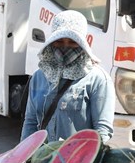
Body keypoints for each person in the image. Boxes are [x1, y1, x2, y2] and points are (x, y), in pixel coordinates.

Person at [21, 10, 115, 143]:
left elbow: (103, 131)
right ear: (52, 42)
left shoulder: (97, 79)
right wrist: (22, 157)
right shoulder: (39, 76)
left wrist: (88, 158)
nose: (65, 47)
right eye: (59, 41)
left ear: (82, 43)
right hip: (41, 161)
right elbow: (30, 122)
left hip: (78, 161)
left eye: (72, 42)